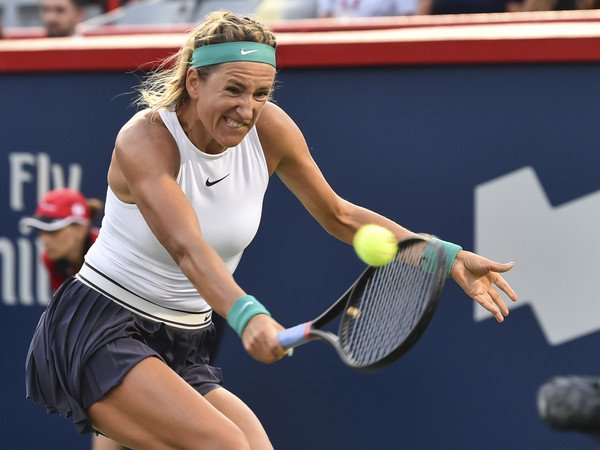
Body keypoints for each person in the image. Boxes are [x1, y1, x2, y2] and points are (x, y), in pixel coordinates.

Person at [25, 11, 518, 449]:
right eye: (234, 90)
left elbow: (340, 216)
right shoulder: (146, 140)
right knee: (224, 445)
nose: (248, 108)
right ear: (194, 82)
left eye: (261, 92)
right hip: (103, 329)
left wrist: (444, 255)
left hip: (180, 341)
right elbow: (186, 245)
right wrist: (249, 317)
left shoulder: (271, 131)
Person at [20, 189, 122, 450]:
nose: (45, 240)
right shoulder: (52, 261)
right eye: (42, 231)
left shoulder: (109, 251)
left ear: (79, 229)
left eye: (53, 231)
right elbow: (69, 316)